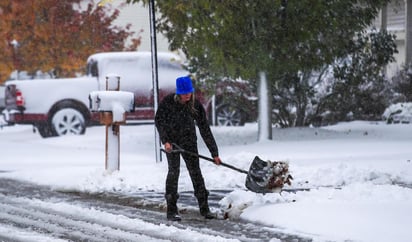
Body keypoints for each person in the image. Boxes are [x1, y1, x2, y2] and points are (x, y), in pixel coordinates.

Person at [155, 75, 222, 221]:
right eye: (184, 93)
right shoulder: (168, 102)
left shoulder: (195, 105)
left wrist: (214, 153)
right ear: (178, 92)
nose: (187, 96)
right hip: (172, 144)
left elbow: (205, 129)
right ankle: (172, 211)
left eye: (189, 93)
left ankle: (205, 209)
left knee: (196, 173)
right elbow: (159, 121)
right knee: (174, 172)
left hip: (189, 141)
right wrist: (165, 141)